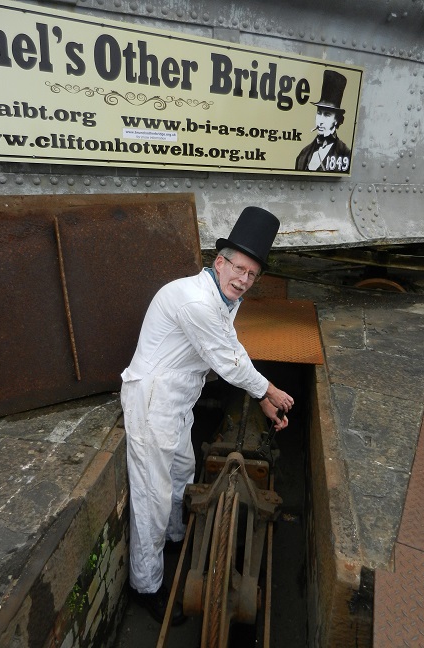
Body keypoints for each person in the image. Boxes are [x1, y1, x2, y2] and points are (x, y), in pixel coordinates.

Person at [120, 206, 295, 624]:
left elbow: (230, 349)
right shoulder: (195, 300)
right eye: (238, 268)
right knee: (153, 498)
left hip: (177, 402)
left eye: (252, 275)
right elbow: (229, 362)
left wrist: (263, 400)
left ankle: (178, 539)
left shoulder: (221, 297)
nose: (244, 280)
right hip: (153, 403)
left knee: (184, 469)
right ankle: (147, 586)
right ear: (219, 262)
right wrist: (270, 390)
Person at [295, 69, 351, 173]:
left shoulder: (345, 153)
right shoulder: (303, 153)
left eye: (327, 115)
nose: (320, 121)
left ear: (336, 120)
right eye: (319, 113)